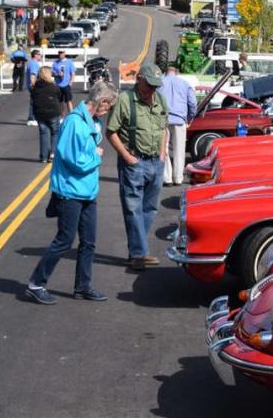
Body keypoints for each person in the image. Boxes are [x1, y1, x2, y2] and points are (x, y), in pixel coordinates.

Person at [25, 81, 119, 305]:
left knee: (89, 242)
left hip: (87, 191)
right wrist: (96, 155)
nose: (108, 111)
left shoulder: (92, 122)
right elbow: (72, 159)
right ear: (102, 102)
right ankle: (36, 283)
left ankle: (83, 286)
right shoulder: (74, 123)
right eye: (109, 106)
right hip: (70, 191)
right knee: (64, 240)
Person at [106, 64, 169, 270]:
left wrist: (161, 154)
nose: (152, 90)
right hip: (134, 162)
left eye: (155, 86)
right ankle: (140, 253)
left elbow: (164, 128)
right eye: (149, 84)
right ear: (139, 79)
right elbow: (111, 131)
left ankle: (136, 250)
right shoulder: (125, 100)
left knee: (150, 208)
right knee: (133, 209)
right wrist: (126, 156)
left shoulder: (159, 99)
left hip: (155, 162)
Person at [158, 65, 197, 187]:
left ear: (166, 73)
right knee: (179, 150)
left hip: (163, 120)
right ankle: (178, 178)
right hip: (180, 120)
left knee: (163, 149)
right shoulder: (185, 84)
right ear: (177, 73)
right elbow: (193, 103)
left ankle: (167, 178)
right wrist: (190, 118)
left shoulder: (159, 83)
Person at [32, 67, 62, 162]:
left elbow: (33, 98)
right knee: (55, 132)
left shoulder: (35, 88)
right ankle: (53, 154)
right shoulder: (54, 87)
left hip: (40, 113)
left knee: (43, 133)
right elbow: (60, 97)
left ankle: (43, 156)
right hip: (53, 112)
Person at [52, 50, 76, 117]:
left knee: (69, 101)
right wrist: (57, 74)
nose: (60, 54)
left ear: (64, 54)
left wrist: (71, 82)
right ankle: (62, 117)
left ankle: (72, 116)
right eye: (59, 53)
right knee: (60, 102)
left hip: (66, 84)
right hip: (58, 85)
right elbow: (52, 73)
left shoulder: (69, 62)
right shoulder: (55, 63)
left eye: (62, 53)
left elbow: (73, 73)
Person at [26, 49, 42, 126]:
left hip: (32, 85)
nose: (40, 56)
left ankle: (33, 118)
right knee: (34, 102)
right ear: (35, 55)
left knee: (34, 102)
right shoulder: (34, 64)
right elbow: (33, 75)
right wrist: (34, 85)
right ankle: (32, 119)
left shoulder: (31, 63)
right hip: (34, 86)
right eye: (39, 54)